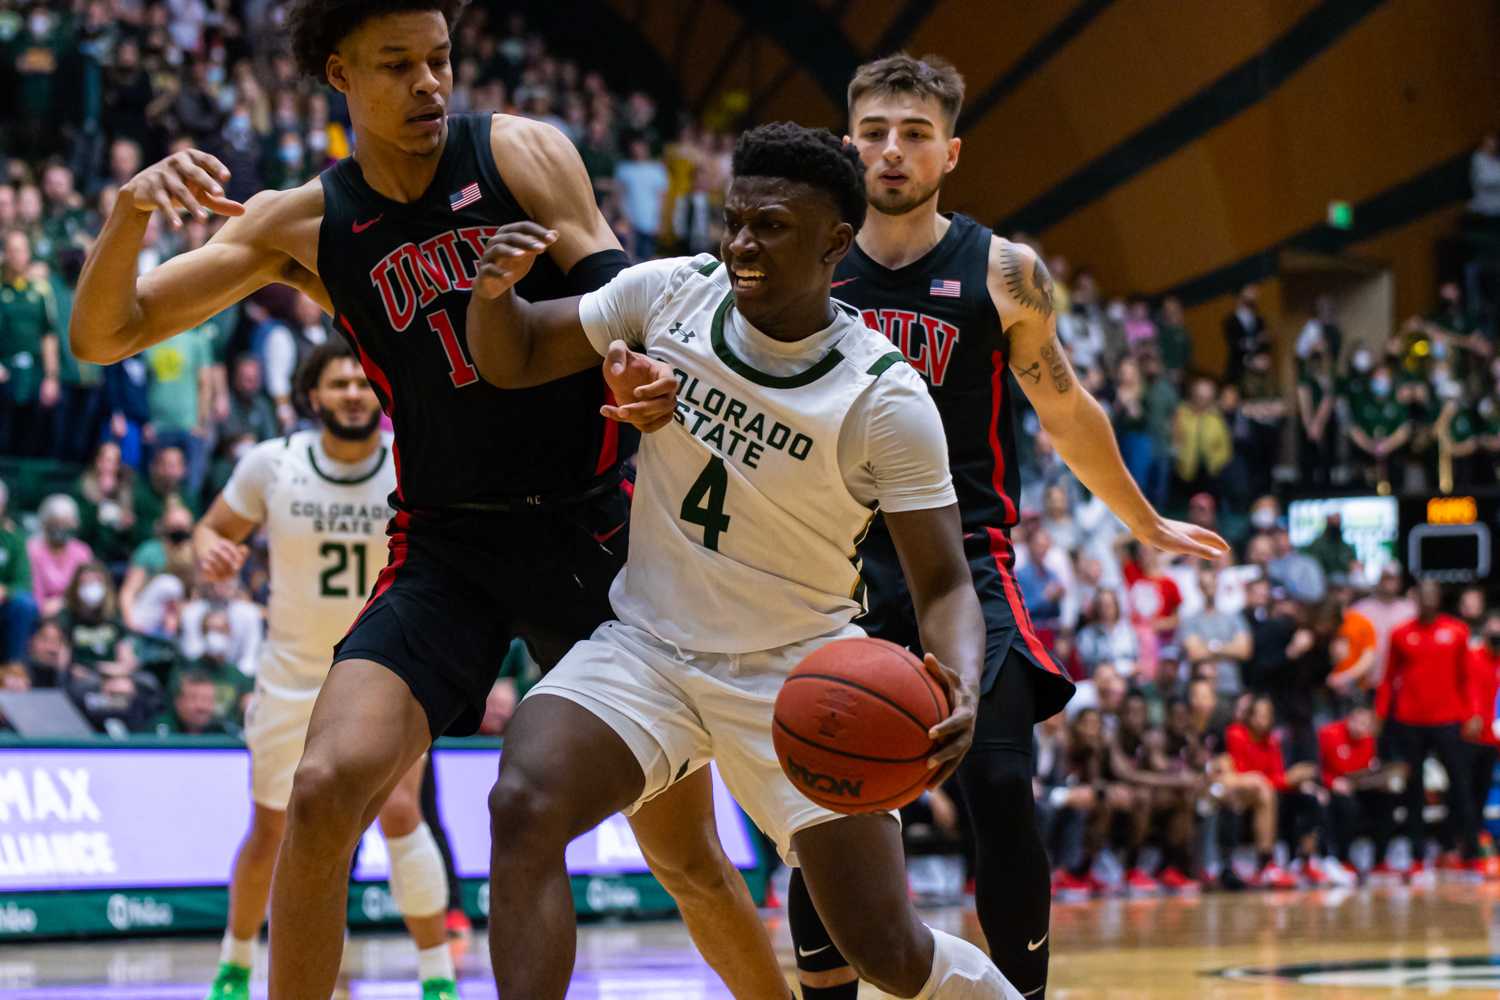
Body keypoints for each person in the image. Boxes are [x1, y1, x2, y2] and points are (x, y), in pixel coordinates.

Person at [70, 4, 772, 998]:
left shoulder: (521, 152)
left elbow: (624, 294)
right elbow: (105, 336)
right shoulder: (307, 222)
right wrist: (130, 212)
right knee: (320, 791)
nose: (430, 83)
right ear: (338, 76)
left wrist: (641, 375)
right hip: (448, 542)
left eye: (439, 58)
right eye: (397, 64)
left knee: (689, 857)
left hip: (594, 529)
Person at [470, 122, 1021, 999]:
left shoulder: (884, 396)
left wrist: (957, 680)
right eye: (734, 220)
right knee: (522, 805)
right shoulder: (670, 293)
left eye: (770, 226)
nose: (741, 244)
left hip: (799, 673)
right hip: (649, 648)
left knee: (890, 955)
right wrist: (493, 296)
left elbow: (946, 580)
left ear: (837, 242)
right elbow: (518, 354)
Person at [797, 52, 1226, 1000]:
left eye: (914, 135)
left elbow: (1067, 412)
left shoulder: (1001, 270)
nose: (893, 151)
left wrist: (1143, 517)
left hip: (966, 560)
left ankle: (1023, 995)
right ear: (847, 146)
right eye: (874, 133)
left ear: (950, 153)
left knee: (998, 786)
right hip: (835, 567)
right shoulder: (812, 261)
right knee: (831, 800)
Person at [193, 341, 453, 1000]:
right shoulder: (271, 465)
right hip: (290, 673)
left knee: (400, 809)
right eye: (339, 384)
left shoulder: (411, 462)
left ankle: (438, 977)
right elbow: (208, 529)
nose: (353, 395)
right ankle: (234, 963)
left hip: (382, 668)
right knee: (272, 827)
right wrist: (213, 551)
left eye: (364, 385)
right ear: (313, 395)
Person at [1378, 579, 1484, 878]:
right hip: (1410, 721)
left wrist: (1473, 713)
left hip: (1448, 720)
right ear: (1416, 599)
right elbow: (1388, 679)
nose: (1427, 601)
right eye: (1422, 596)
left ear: (1438, 598)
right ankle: (1416, 855)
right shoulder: (1400, 634)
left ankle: (1470, 852)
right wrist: (1381, 714)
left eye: (1432, 595)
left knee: (1460, 786)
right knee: (1413, 790)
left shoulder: (1456, 631)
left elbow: (1468, 678)